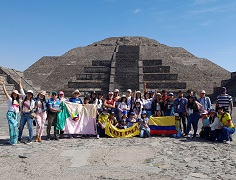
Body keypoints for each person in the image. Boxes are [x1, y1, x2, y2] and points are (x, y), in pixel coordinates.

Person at [1, 79, 21, 145]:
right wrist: (3, 85)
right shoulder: (10, 99)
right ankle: (12, 141)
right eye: (14, 94)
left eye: (16, 94)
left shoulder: (18, 101)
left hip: (15, 115)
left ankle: (14, 140)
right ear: (12, 94)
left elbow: (22, 94)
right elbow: (5, 92)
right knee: (12, 127)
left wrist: (19, 83)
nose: (15, 95)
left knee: (15, 128)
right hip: (10, 114)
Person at [18, 79, 35, 144]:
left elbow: (31, 108)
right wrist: (19, 83)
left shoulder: (32, 101)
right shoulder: (24, 97)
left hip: (29, 115)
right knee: (21, 127)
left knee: (30, 127)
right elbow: (21, 90)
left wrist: (28, 108)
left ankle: (30, 138)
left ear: (32, 95)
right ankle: (19, 137)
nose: (29, 95)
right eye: (28, 93)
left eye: (30, 94)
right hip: (23, 115)